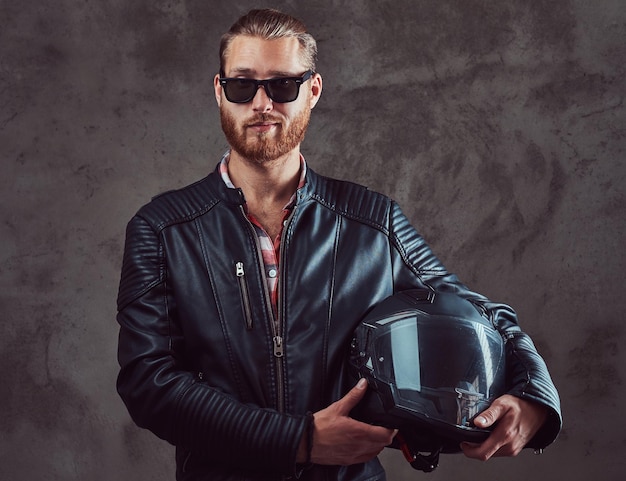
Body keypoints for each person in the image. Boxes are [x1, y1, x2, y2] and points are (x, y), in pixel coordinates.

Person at [116, 8, 562, 481]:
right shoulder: (162, 229)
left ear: (313, 90)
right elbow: (150, 384)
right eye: (243, 85)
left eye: (283, 85)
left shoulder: (375, 222)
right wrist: (298, 440)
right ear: (219, 91)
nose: (261, 103)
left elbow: (483, 314)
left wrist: (535, 398)